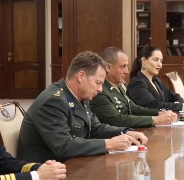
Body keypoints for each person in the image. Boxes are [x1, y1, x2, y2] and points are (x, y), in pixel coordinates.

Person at [18, 51, 148, 163]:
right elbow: (63, 146)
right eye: (98, 83)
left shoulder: (80, 96)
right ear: (81, 76)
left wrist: (125, 132)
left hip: (71, 164)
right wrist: (109, 144)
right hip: (46, 172)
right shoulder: (53, 101)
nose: (100, 89)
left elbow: (95, 128)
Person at [90, 47, 179, 128]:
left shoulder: (120, 86)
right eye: (123, 66)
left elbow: (134, 108)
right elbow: (116, 120)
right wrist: (155, 120)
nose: (127, 71)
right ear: (108, 67)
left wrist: (159, 113)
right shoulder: (99, 90)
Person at [127, 45, 184, 112]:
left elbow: (175, 96)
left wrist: (178, 104)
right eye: (155, 60)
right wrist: (180, 106)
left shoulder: (156, 81)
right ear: (144, 60)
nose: (160, 64)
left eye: (161, 61)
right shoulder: (136, 83)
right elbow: (152, 106)